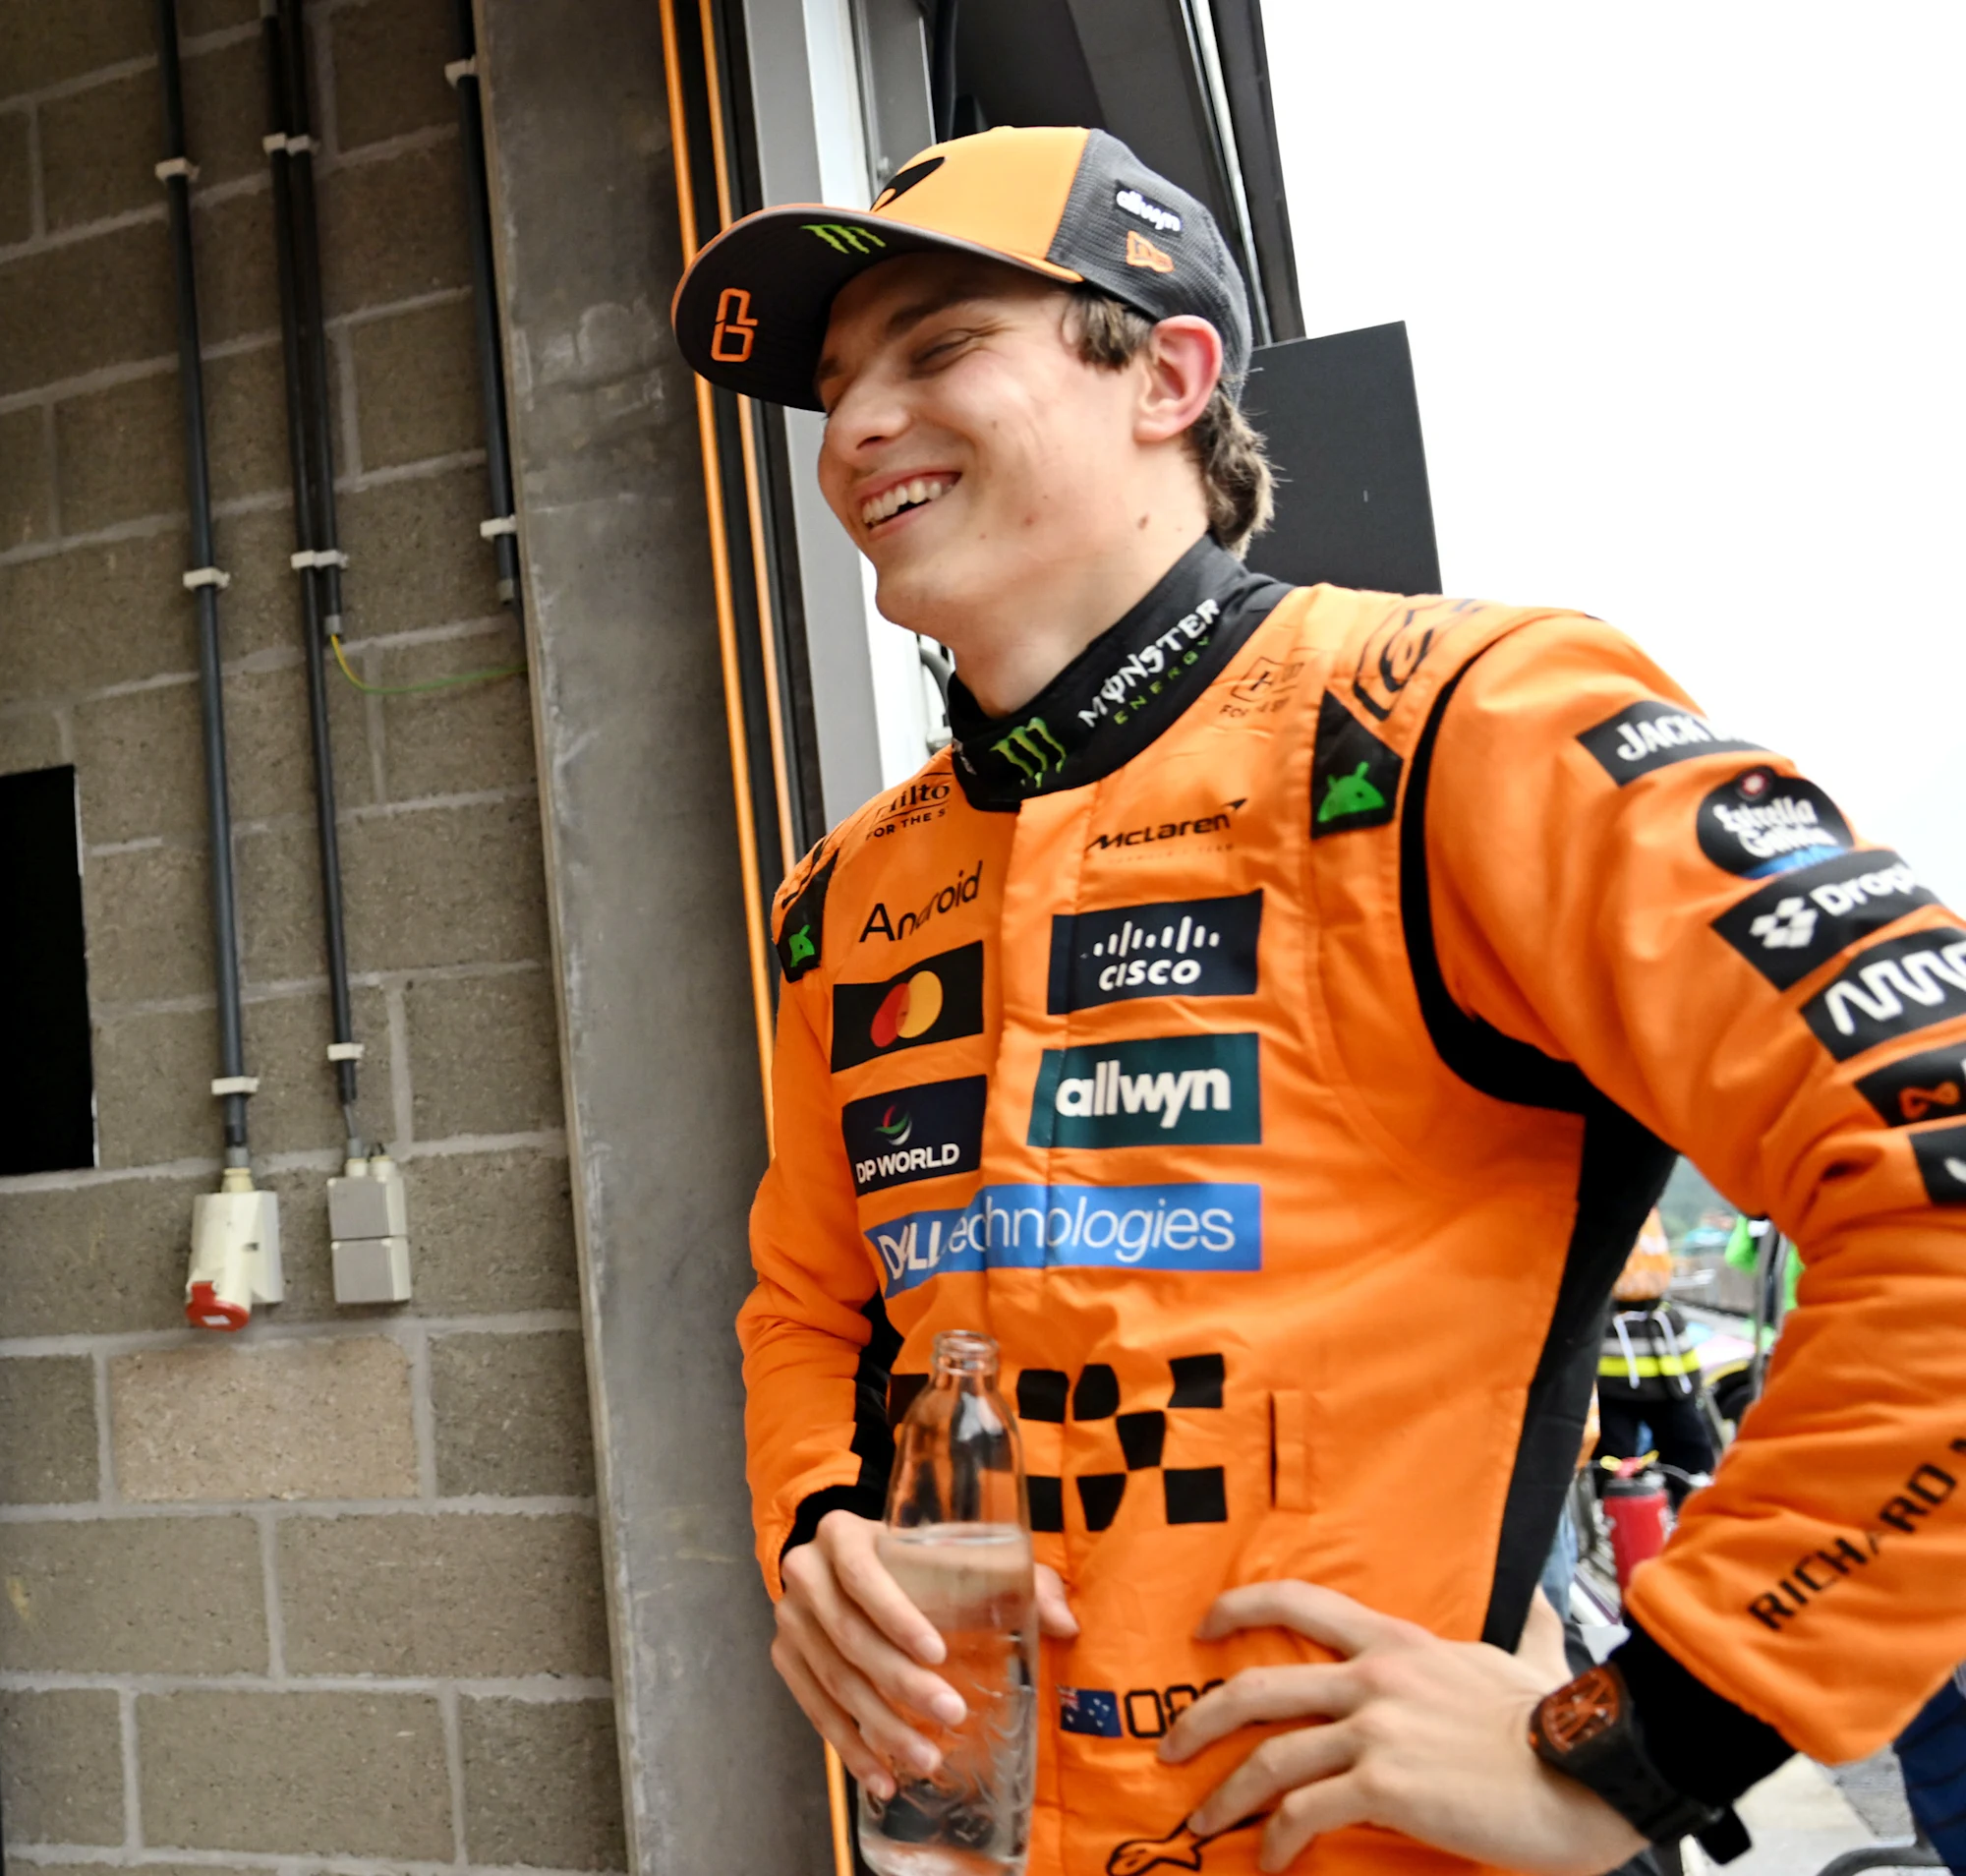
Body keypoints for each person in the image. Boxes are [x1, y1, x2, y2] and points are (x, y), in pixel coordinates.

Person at [679, 126, 1965, 1874]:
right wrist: (817, 1530)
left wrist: (1653, 1732)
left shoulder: (1453, 720)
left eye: (938, 347)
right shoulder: (843, 898)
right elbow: (808, 1306)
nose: (853, 431)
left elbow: (1938, 1157)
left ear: (1170, 375)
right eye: (833, 388)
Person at [1592, 1215, 1717, 1507]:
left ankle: (1691, 1515)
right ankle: (1623, 1526)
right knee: (1615, 1461)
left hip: (1667, 1359)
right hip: (1615, 1357)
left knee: (1692, 1451)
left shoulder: (1646, 1198)